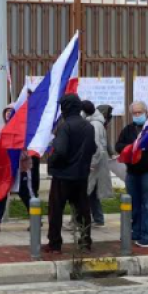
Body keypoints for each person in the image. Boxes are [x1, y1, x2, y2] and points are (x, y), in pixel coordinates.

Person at [45, 94, 97, 253]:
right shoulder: (89, 126)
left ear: (65, 108)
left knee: (56, 211)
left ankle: (55, 244)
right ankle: (85, 242)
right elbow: (93, 148)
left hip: (63, 175)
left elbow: (60, 150)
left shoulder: (65, 126)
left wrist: (51, 162)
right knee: (83, 210)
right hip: (81, 175)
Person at [116, 101, 148, 248]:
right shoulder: (128, 130)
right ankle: (136, 231)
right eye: (134, 113)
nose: (137, 115)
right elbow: (118, 145)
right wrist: (129, 148)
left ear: (146, 112)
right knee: (134, 204)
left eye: (140, 112)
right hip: (132, 171)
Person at [0, 104, 34, 234]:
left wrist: (21, 157)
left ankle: (35, 219)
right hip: (4, 169)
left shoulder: (24, 131)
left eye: (11, 112)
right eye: (6, 112)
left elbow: (28, 150)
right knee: (0, 193)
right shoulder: (2, 130)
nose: (8, 115)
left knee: (25, 194)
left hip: (20, 168)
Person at [83, 102, 114, 229]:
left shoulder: (95, 124)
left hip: (93, 162)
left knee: (86, 190)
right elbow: (104, 144)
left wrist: (92, 163)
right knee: (93, 191)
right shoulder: (98, 123)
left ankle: (82, 219)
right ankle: (98, 218)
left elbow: (97, 147)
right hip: (97, 162)